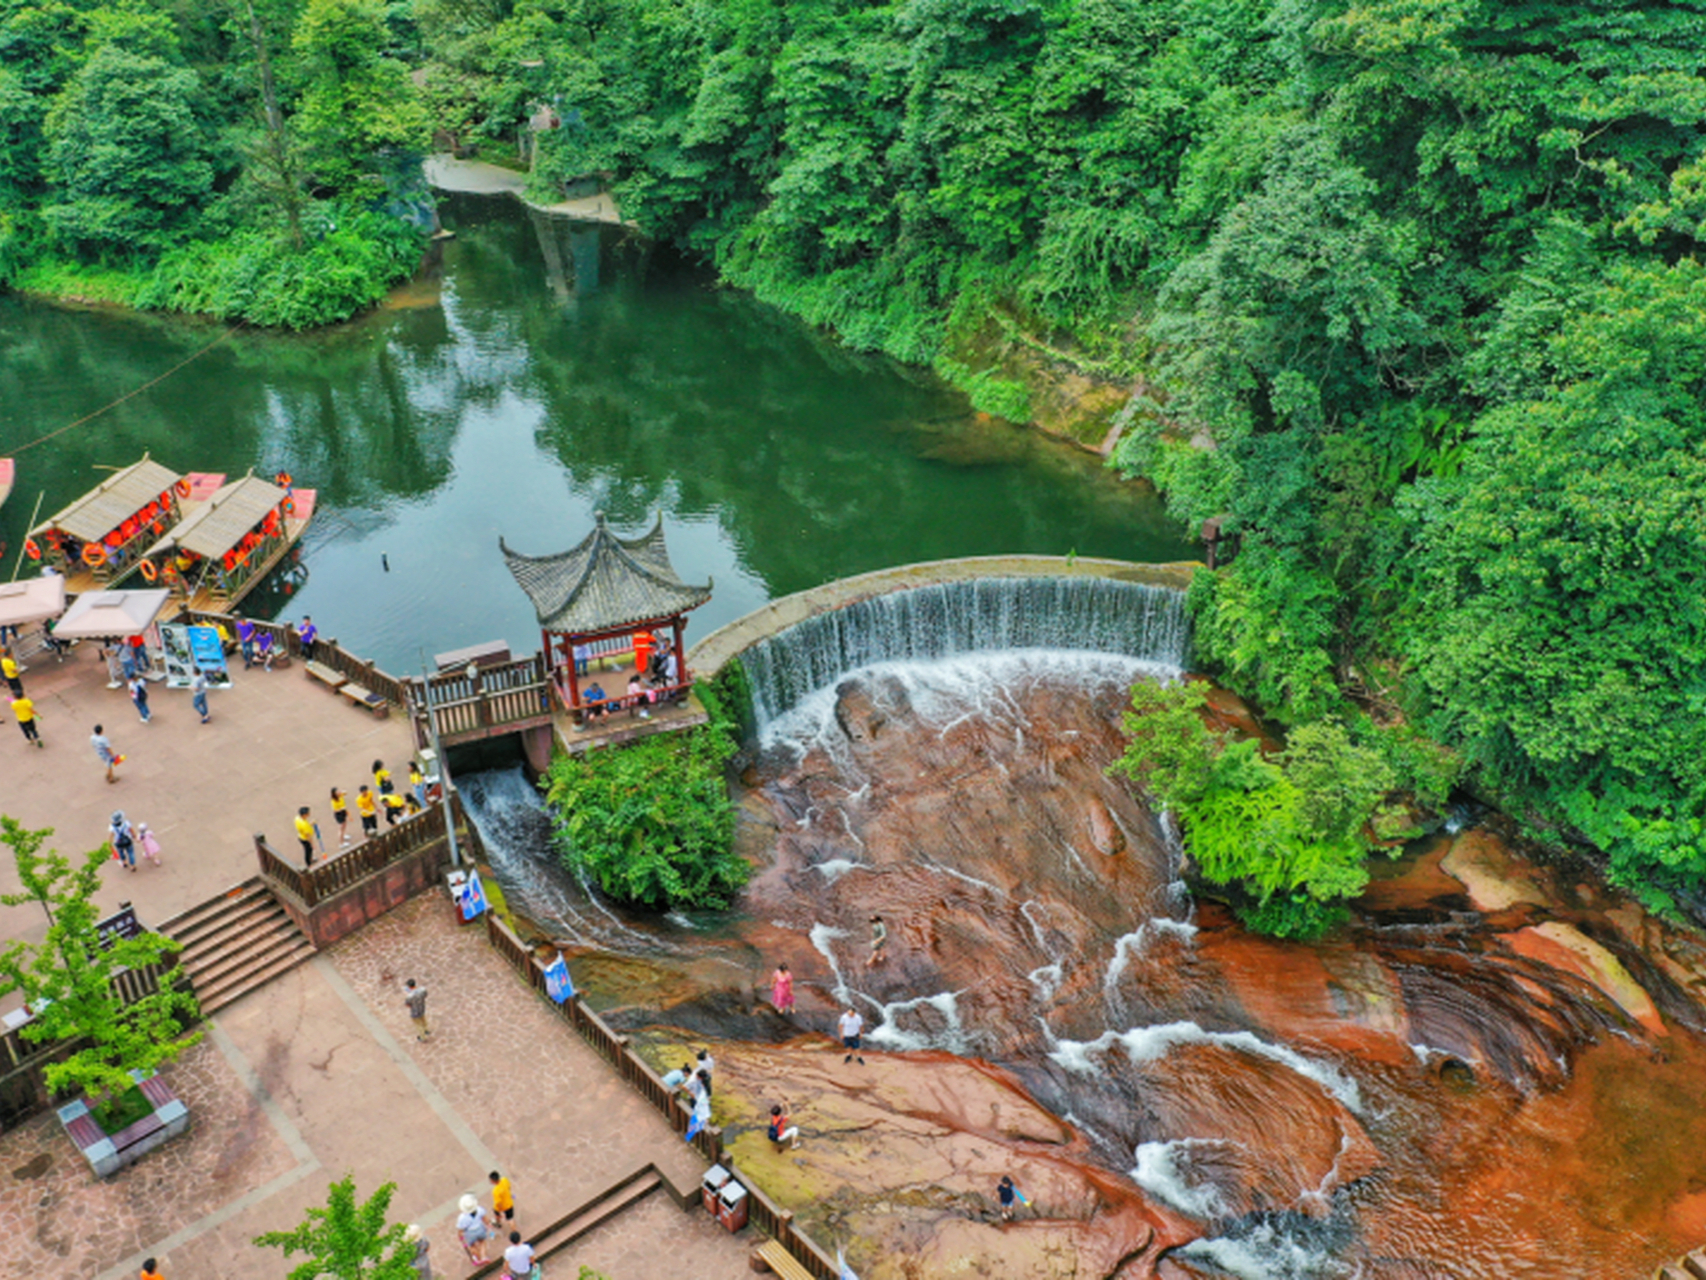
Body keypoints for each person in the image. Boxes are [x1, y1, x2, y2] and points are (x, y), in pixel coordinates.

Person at [455, 1193, 492, 1265]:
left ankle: (478, 1257)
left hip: (470, 1233)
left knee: (472, 1245)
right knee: (482, 1242)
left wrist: (460, 1236)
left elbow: (460, 1229)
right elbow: (485, 1219)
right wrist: (488, 1224)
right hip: (480, 1228)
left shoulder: (462, 1217)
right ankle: (483, 1256)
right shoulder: (480, 1209)